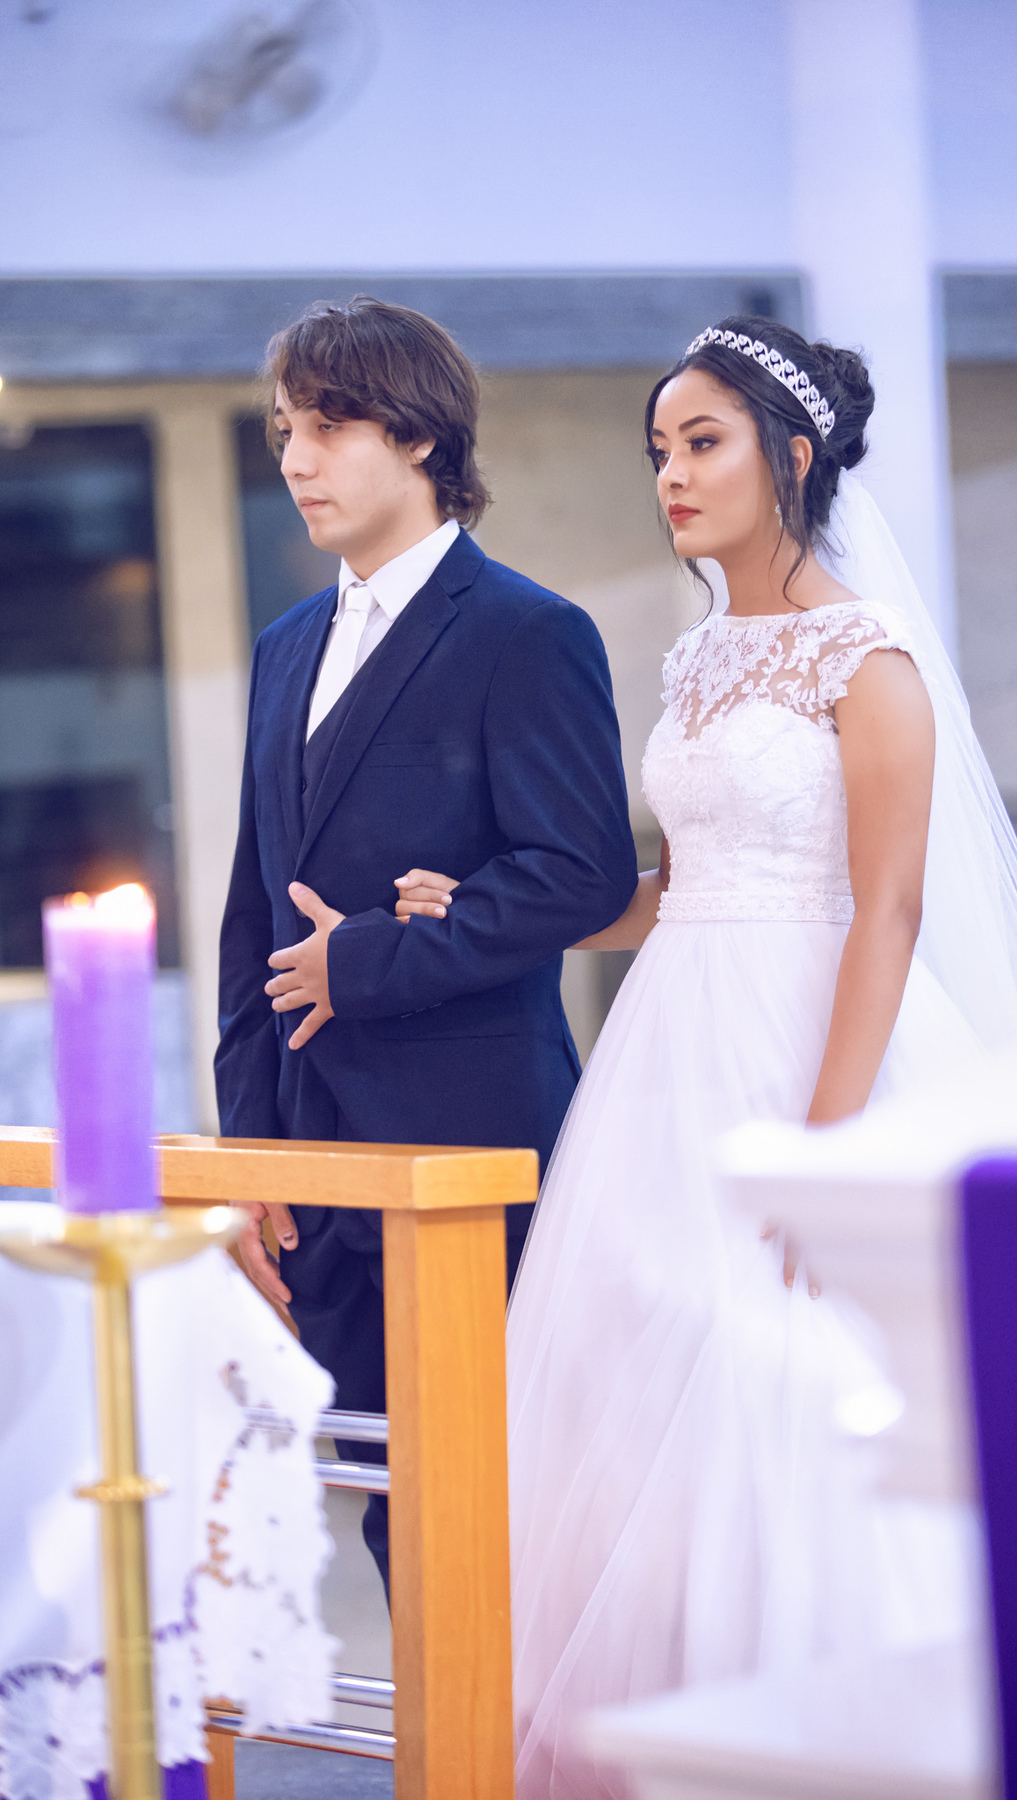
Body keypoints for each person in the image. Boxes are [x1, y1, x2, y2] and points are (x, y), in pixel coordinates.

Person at [493, 318, 1017, 1796]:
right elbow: (682, 887)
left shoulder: (868, 660)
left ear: (793, 456)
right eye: (659, 449)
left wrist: (828, 1150)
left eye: (703, 443)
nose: (671, 475)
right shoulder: (697, 656)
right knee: (646, 1390)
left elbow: (887, 908)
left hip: (818, 1050)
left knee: (796, 1386)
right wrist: (501, 912)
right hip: (666, 1061)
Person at [214, 296, 638, 1592]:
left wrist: (368, 963)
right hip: (317, 1168)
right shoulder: (285, 645)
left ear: (417, 436)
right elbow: (252, 913)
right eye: (285, 431)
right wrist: (248, 1152)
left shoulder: (528, 632)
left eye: (328, 428)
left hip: (474, 1148)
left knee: (503, 1515)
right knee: (396, 1520)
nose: (296, 460)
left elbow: (581, 870)